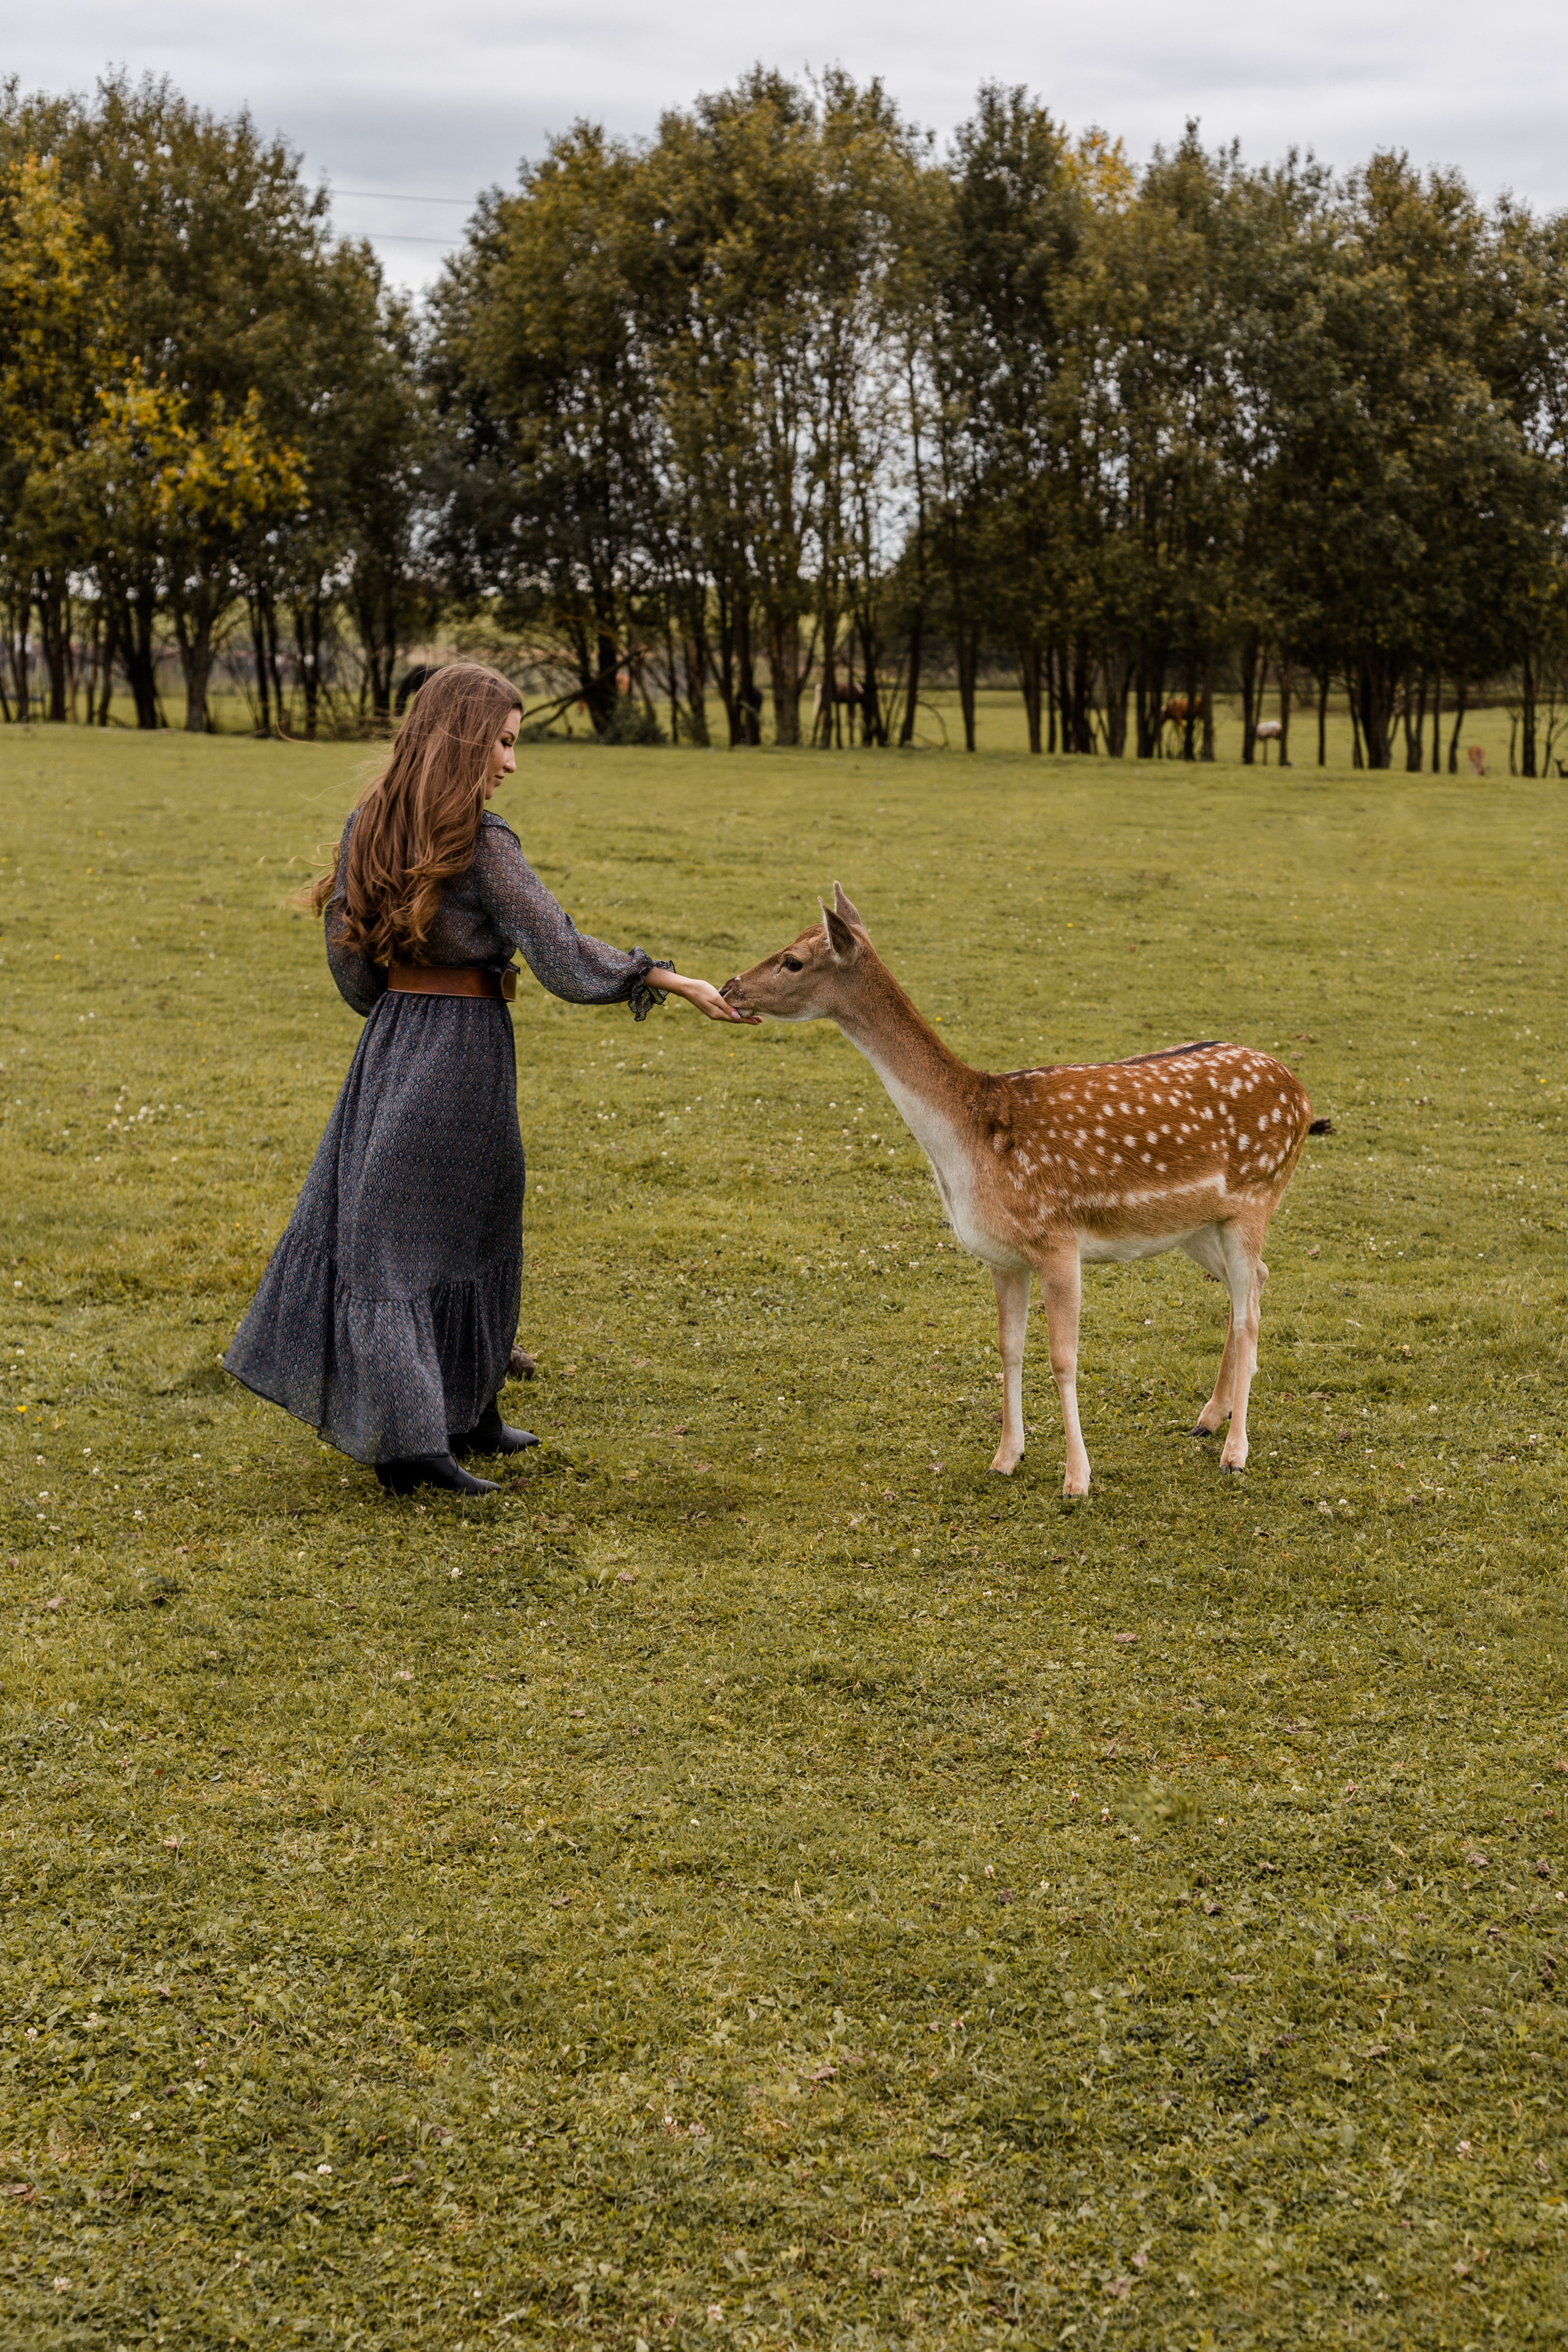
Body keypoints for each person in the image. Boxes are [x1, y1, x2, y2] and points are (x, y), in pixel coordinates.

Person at [224, 662, 755, 1496]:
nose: (510, 763)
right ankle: (411, 1451)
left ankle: (467, 1410)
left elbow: (350, 964)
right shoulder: (483, 841)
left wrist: (401, 1010)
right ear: (467, 739)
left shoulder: (365, 824)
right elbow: (559, 949)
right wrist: (662, 978)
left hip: (393, 1046)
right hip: (464, 1047)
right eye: (504, 743)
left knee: (443, 1225)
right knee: (432, 1237)